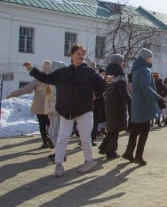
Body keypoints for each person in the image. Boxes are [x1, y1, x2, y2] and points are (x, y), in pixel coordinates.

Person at [23, 44, 105, 177]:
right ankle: (59, 164)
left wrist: (95, 94)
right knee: (62, 138)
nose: (81, 56)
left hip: (84, 109)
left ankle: (89, 161)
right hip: (66, 110)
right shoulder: (63, 72)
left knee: (85, 138)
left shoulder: (89, 72)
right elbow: (47, 78)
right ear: (71, 55)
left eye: (83, 54)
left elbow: (102, 86)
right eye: (78, 54)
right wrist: (32, 69)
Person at [122, 48, 162, 166]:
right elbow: (146, 88)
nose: (151, 60)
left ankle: (129, 152)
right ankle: (138, 156)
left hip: (137, 105)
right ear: (145, 58)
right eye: (150, 57)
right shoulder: (145, 70)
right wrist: (158, 98)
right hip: (144, 105)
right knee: (144, 132)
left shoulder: (136, 69)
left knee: (135, 130)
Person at [8, 60, 53, 149]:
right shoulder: (53, 79)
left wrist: (12, 94)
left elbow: (26, 89)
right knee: (50, 124)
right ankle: (51, 140)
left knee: (42, 125)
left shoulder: (37, 79)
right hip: (50, 106)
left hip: (39, 106)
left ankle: (45, 142)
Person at [99, 54, 131, 159]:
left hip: (109, 103)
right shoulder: (120, 74)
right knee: (115, 129)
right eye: (122, 62)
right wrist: (130, 102)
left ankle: (104, 147)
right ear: (119, 62)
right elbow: (123, 91)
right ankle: (111, 152)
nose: (123, 63)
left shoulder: (108, 74)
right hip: (118, 104)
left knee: (112, 128)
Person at [44, 61, 67, 161]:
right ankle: (59, 152)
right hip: (53, 110)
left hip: (58, 110)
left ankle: (61, 154)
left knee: (55, 132)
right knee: (52, 131)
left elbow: (56, 96)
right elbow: (49, 95)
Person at [92, 68, 106, 145]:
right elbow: (103, 89)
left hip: (89, 103)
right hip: (98, 102)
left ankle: (87, 139)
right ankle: (91, 139)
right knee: (94, 122)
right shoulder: (100, 79)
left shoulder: (88, 78)